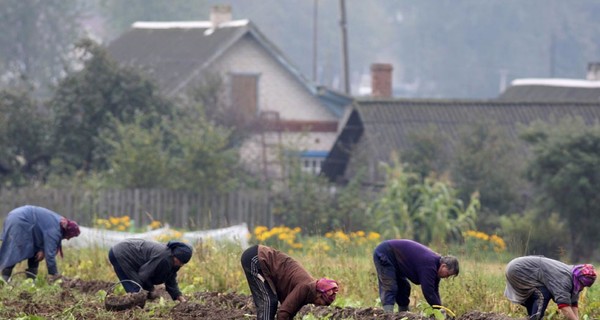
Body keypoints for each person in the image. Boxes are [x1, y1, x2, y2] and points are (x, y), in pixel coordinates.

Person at [241, 244, 339, 320]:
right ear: (319, 294)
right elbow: (283, 313)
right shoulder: (305, 287)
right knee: (269, 301)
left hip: (258, 257)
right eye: (323, 302)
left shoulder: (309, 292)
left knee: (270, 301)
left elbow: (290, 313)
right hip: (256, 258)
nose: (319, 305)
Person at [372, 239, 459, 313]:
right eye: (448, 274)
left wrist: (440, 308)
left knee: (404, 287)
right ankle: (388, 315)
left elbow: (434, 290)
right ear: (443, 266)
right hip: (386, 253)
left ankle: (403, 313)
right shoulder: (430, 264)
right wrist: (439, 310)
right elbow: (428, 291)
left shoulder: (436, 267)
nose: (446, 277)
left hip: (397, 262)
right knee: (390, 286)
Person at [0, 205, 81, 282]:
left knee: (35, 252)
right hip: (21, 220)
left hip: (19, 218)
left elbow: (42, 231)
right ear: (68, 231)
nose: (68, 239)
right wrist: (55, 274)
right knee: (14, 251)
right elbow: (50, 255)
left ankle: (31, 281)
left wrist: (42, 249)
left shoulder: (59, 222)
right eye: (70, 236)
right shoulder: (55, 230)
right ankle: (4, 281)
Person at [504, 256, 596, 320]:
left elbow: (573, 302)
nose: (582, 288)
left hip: (519, 268)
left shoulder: (574, 276)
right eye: (583, 285)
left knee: (540, 294)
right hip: (518, 269)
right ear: (579, 280)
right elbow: (564, 306)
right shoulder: (564, 279)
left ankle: (533, 317)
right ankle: (535, 318)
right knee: (543, 294)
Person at [108, 238, 192, 302]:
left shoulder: (173, 262)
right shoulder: (164, 257)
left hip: (126, 253)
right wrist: (151, 290)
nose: (181, 265)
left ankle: (135, 307)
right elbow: (144, 274)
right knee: (136, 290)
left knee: (141, 292)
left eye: (183, 263)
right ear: (175, 255)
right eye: (180, 261)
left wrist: (181, 299)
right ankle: (131, 311)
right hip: (121, 253)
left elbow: (171, 279)